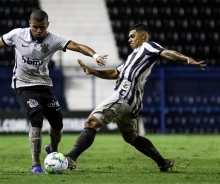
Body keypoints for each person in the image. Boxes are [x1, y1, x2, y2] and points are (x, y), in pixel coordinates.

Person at [51, 23, 206, 172]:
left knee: (91, 121)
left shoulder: (148, 46)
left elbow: (166, 52)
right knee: (131, 137)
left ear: (144, 36)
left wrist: (186, 59)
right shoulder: (133, 57)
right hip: (134, 102)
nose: (129, 39)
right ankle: (163, 163)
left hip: (124, 96)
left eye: (132, 36)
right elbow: (115, 73)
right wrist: (93, 71)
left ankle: (70, 158)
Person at [0, 10, 107, 174]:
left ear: (47, 25)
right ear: (30, 24)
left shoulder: (54, 39)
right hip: (23, 85)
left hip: (44, 85)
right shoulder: (17, 35)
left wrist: (95, 55)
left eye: (42, 27)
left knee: (58, 123)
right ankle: (35, 164)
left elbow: (77, 46)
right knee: (36, 116)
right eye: (35, 27)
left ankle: (53, 150)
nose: (39, 31)